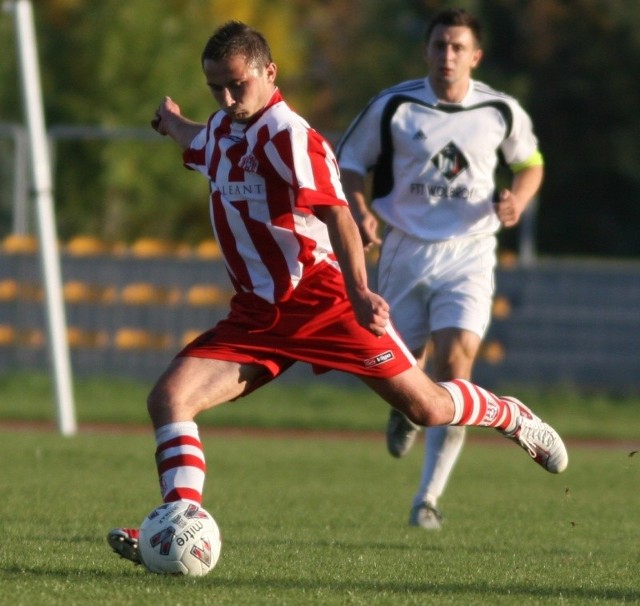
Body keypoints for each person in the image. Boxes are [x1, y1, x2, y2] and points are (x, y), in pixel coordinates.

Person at [107, 20, 566, 566]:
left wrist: (359, 291)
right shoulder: (226, 130)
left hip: (323, 302)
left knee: (428, 407)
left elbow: (338, 214)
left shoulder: (290, 136)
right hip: (257, 315)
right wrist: (173, 121)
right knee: (170, 399)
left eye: (236, 85)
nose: (227, 99)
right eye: (215, 89)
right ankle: (175, 528)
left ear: (268, 73)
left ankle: (509, 414)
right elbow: (200, 143)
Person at [336, 7, 545, 530]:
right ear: (426, 51)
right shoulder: (395, 106)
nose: (447, 56)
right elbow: (350, 163)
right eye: (439, 46)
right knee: (406, 371)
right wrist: (360, 209)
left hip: (470, 251)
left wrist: (517, 201)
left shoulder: (500, 111)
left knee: (456, 368)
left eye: (457, 47)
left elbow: (530, 163)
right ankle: (404, 408)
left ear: (475, 56)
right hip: (405, 248)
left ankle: (426, 499)